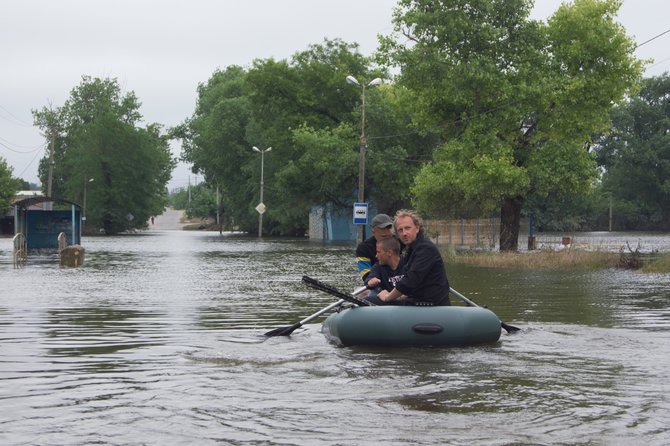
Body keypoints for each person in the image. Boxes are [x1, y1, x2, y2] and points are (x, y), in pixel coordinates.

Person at [377, 210, 451, 306]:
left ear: (417, 228)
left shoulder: (425, 248)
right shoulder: (412, 249)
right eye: (400, 230)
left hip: (432, 306)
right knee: (372, 298)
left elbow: (410, 280)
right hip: (420, 303)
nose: (404, 233)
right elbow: (415, 286)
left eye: (407, 228)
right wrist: (397, 296)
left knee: (374, 300)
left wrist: (388, 297)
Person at [363, 236, 406, 305]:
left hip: (407, 301)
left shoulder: (408, 263)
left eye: (378, 252)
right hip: (387, 301)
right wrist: (370, 281)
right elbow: (369, 279)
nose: (376, 256)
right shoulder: (378, 266)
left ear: (389, 253)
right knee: (363, 295)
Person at [355, 213, 394, 282]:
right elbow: (366, 275)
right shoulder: (363, 248)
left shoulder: (398, 241)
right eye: (384, 237)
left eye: (390, 236)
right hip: (377, 283)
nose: (388, 240)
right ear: (373, 232)